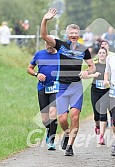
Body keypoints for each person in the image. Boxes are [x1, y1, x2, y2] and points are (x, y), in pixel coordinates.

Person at [40, 8, 96, 156]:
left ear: (78, 35)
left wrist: (87, 72)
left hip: (76, 86)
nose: (73, 36)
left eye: (75, 34)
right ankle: (66, 133)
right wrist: (45, 19)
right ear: (67, 34)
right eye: (71, 33)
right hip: (63, 87)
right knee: (63, 119)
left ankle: (70, 146)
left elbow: (92, 66)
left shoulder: (84, 49)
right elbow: (44, 35)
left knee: (75, 116)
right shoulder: (60, 45)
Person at [27, 35, 59, 150]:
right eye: (47, 43)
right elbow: (29, 69)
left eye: (51, 44)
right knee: (45, 119)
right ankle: (48, 130)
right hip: (42, 88)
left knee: (53, 113)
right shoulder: (39, 54)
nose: (49, 46)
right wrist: (37, 74)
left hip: (56, 88)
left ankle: (51, 140)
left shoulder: (60, 55)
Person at [82, 47, 109, 145]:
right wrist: (94, 75)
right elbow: (84, 76)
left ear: (106, 55)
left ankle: (101, 136)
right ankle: (97, 126)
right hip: (95, 90)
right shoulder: (94, 65)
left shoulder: (109, 66)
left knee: (103, 112)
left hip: (106, 91)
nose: (102, 54)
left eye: (103, 53)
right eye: (100, 53)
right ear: (98, 55)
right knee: (96, 114)